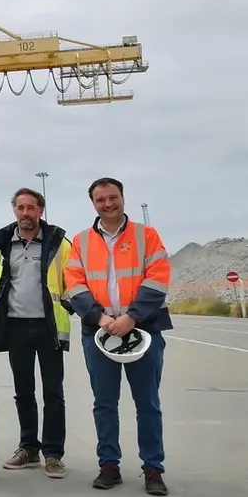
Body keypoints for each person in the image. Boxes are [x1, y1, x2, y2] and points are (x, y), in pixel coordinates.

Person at [64, 177, 172, 495]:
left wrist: (131, 317)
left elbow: (158, 278)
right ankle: (108, 465)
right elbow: (74, 283)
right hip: (98, 334)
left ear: (123, 198)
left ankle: (153, 469)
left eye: (113, 198)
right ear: (93, 204)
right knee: (105, 404)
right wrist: (100, 319)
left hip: (144, 330)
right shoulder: (81, 241)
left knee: (148, 404)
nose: (108, 204)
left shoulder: (147, 236)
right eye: (101, 200)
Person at [0, 187, 72, 478]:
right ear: (14, 210)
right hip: (16, 327)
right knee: (23, 392)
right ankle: (28, 449)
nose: (25, 213)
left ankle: (53, 454)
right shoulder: (0, 244)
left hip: (49, 327)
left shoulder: (59, 242)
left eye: (31, 208)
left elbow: (72, 280)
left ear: (41, 211)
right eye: (20, 207)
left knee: (53, 393)